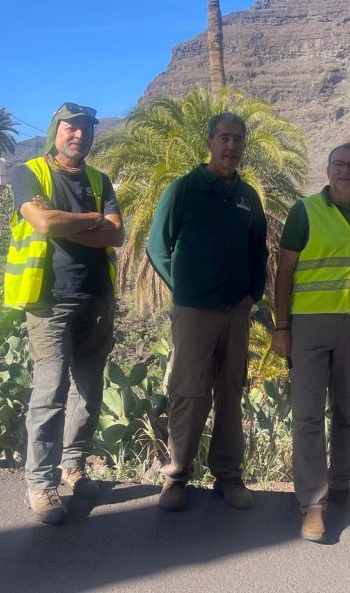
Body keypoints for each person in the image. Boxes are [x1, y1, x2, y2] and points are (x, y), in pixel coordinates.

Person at [6, 102, 124, 525]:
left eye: (86, 130)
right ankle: (40, 483)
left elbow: (117, 234)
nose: (79, 135)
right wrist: (92, 219)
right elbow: (41, 223)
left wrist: (72, 222)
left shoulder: (99, 179)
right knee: (50, 390)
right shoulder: (29, 172)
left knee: (89, 393)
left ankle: (73, 465)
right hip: (49, 300)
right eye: (71, 129)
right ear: (56, 131)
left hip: (96, 298)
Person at [146, 112, 268, 512]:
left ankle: (229, 478)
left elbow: (259, 253)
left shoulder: (248, 197)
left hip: (236, 312)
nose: (231, 146)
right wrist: (184, 290)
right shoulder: (184, 189)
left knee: (231, 393)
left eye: (238, 139)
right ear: (210, 142)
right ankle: (176, 477)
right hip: (194, 310)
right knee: (189, 393)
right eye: (224, 138)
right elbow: (157, 246)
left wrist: (253, 295)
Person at [271, 144, 350, 542]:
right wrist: (281, 326)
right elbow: (284, 271)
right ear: (328, 169)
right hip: (309, 325)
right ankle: (312, 505)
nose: (346, 171)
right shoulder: (305, 210)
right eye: (339, 164)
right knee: (308, 415)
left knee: (346, 409)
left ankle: (340, 486)